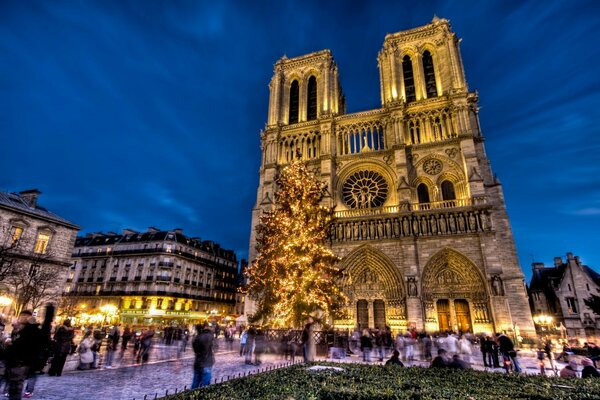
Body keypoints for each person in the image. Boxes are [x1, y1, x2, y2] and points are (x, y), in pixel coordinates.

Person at [4, 310, 43, 400]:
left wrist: (32, 321)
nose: (21, 317)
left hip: (21, 362)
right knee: (13, 387)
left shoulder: (31, 330)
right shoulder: (19, 329)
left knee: (16, 388)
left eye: (25, 316)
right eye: (21, 315)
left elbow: (25, 343)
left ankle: (26, 392)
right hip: (13, 362)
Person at [191, 323, 214, 389]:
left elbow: (195, 350)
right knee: (206, 386)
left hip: (197, 363)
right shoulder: (207, 336)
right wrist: (208, 330)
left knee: (195, 384)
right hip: (206, 363)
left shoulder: (196, 338)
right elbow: (211, 335)